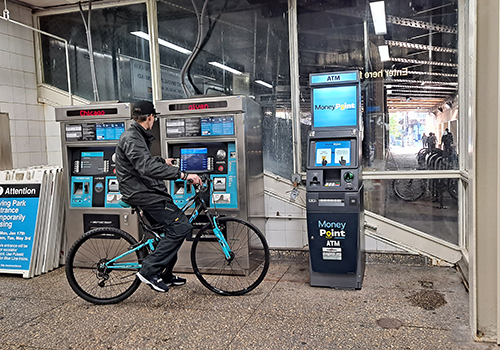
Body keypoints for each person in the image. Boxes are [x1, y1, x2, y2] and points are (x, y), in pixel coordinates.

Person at [115, 100, 202, 293]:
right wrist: (183, 175)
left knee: (167, 232)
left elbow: (139, 162)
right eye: (154, 117)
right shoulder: (132, 137)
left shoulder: (137, 136)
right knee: (181, 226)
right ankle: (148, 271)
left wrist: (162, 161)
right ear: (151, 118)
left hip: (145, 188)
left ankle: (165, 274)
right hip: (140, 192)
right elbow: (144, 167)